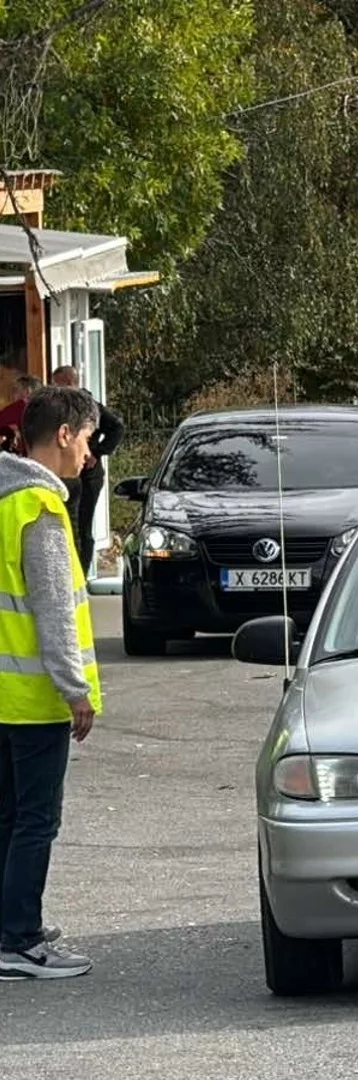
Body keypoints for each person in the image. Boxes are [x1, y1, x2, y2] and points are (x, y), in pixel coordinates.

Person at [0, 386, 102, 980]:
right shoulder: (40, 507)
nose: (88, 453)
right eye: (86, 438)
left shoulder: (4, 498)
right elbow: (53, 608)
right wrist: (74, 688)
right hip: (35, 696)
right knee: (38, 820)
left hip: (3, 695)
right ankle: (21, 940)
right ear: (63, 435)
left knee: (9, 817)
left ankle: (10, 925)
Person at [48, 367, 123, 576]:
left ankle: (81, 575)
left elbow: (117, 427)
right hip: (66, 474)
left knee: (83, 525)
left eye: (58, 384)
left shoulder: (90, 406)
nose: (55, 389)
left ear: (69, 382)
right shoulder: (60, 408)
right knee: (67, 525)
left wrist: (96, 452)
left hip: (88, 475)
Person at [0, 374, 39, 454]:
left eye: (15, 391)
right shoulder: (45, 408)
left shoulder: (19, 407)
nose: (12, 396)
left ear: (28, 391)